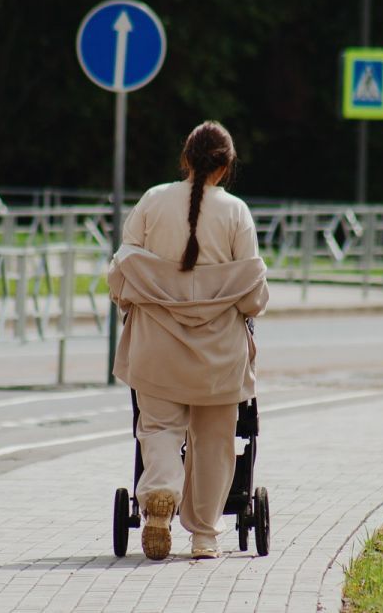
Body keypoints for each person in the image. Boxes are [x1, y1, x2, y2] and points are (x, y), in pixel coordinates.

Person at [106, 121, 269, 560]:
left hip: (156, 348)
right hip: (219, 355)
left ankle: (159, 492)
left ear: (186, 159)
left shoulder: (152, 201)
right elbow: (253, 292)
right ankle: (204, 537)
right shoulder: (236, 213)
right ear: (226, 165)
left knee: (158, 428)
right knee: (215, 441)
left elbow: (121, 273)